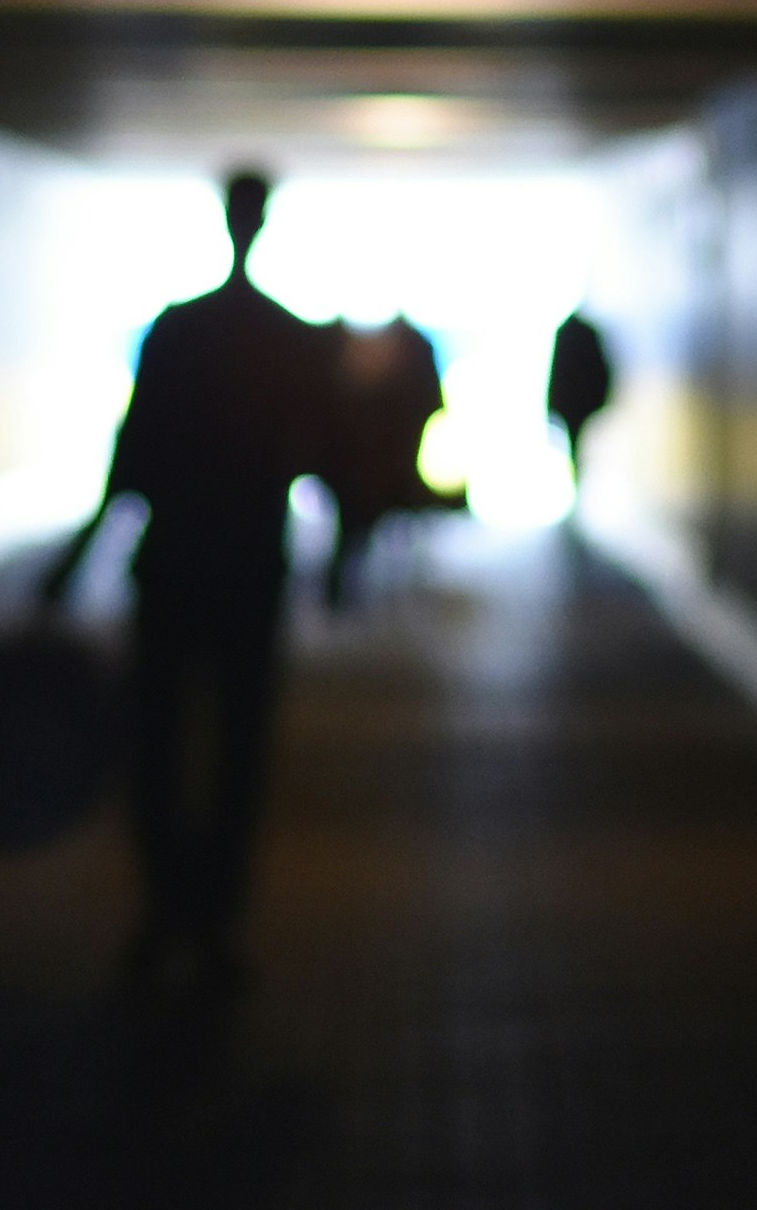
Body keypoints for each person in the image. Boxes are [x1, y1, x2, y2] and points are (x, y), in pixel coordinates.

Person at [38, 162, 339, 994]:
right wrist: (340, 549)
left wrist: (80, 553)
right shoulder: (287, 336)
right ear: (264, 222)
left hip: (173, 562)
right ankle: (215, 920)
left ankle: (166, 909)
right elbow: (321, 455)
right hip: (249, 564)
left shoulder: (179, 330)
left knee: (160, 741)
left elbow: (130, 452)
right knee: (238, 748)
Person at [323, 314, 451, 612]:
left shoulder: (412, 349)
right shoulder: (412, 348)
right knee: (359, 525)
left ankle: (347, 589)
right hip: (373, 465)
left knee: (360, 525)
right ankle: (346, 589)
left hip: (382, 464)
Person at [545, 308, 618, 502]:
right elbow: (602, 372)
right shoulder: (589, 332)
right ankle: (580, 488)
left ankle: (579, 487)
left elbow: (557, 374)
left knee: (576, 447)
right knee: (583, 449)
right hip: (584, 405)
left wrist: (553, 406)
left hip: (572, 407)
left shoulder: (566, 332)